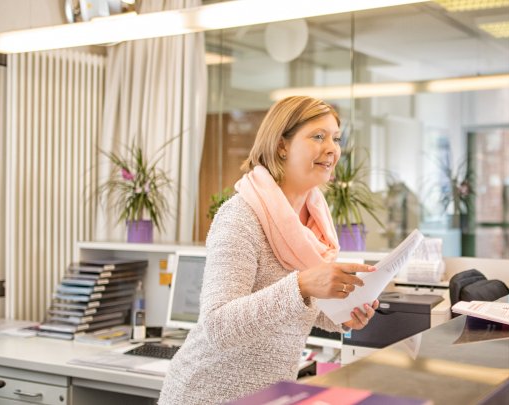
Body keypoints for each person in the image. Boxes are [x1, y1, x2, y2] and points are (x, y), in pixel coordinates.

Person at [159, 96, 379, 404]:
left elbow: (296, 307)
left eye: (336, 138)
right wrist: (302, 284)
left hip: (268, 395)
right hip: (208, 393)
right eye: (318, 136)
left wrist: (342, 316)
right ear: (281, 146)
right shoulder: (240, 216)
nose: (332, 148)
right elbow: (218, 326)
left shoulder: (315, 222)